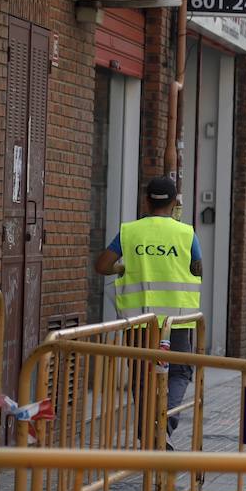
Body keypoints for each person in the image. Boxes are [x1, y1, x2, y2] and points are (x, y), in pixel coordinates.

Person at [94, 176, 202, 444]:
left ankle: (147, 434)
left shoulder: (130, 232)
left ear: (146, 201)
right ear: (176, 202)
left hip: (139, 321)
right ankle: (164, 424)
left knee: (142, 378)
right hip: (176, 321)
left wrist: (123, 268)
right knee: (179, 372)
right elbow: (197, 268)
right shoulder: (186, 233)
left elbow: (102, 265)